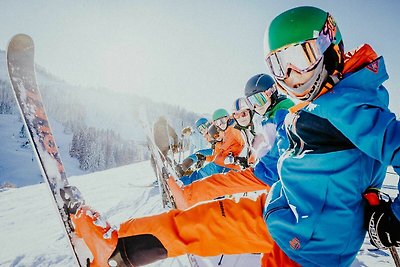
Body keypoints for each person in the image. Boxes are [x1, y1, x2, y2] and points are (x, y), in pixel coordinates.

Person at [71, 6, 400, 267]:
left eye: (300, 60)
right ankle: (115, 248)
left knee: (202, 222)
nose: (290, 76)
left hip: (309, 244)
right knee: (196, 224)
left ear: (330, 46)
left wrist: (394, 217)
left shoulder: (351, 104)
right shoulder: (316, 105)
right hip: (283, 209)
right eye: (279, 65)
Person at [167, 74, 294, 209]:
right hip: (263, 174)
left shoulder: (279, 115)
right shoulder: (263, 119)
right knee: (217, 180)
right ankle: (184, 190)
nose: (256, 106)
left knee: (219, 181)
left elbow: (282, 150)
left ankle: (185, 190)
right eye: (252, 102)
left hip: (268, 176)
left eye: (259, 99)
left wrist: (243, 161)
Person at [179, 108, 245, 185]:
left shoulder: (231, 130)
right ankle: (185, 177)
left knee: (207, 171)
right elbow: (217, 152)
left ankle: (185, 181)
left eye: (203, 127)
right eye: (200, 129)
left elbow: (242, 143)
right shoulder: (219, 133)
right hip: (222, 162)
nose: (203, 130)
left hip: (228, 165)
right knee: (206, 170)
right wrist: (204, 158)